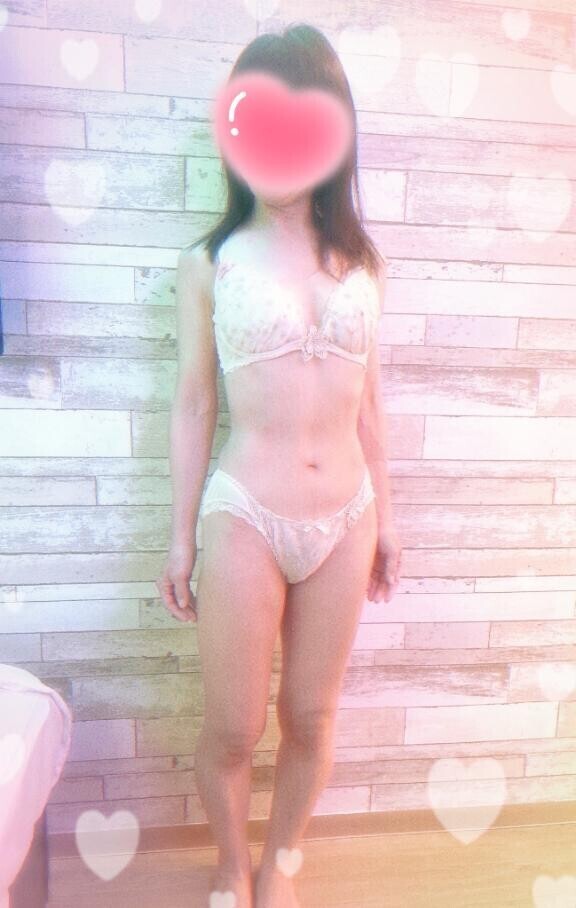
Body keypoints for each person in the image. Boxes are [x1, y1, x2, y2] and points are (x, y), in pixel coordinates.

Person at [156, 22, 402, 908]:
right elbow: (195, 402)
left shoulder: (363, 264)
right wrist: (180, 538)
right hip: (246, 515)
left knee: (310, 715)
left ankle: (282, 862)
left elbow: (370, 404)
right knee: (233, 726)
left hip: (347, 515)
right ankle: (231, 863)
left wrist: (390, 519)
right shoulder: (210, 262)